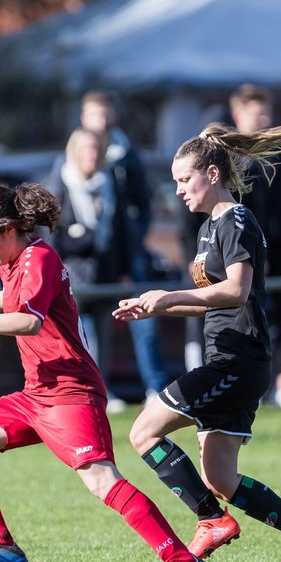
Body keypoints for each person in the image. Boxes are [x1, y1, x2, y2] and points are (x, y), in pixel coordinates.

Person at [0, 181, 212, 562]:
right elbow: (16, 298)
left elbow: (29, 320)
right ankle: (1, 546)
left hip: (70, 393)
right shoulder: (18, 261)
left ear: (7, 228)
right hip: (35, 395)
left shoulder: (38, 257)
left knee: (101, 481)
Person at [113, 123, 281, 562]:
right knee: (220, 477)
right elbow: (213, 301)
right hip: (229, 358)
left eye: (184, 179)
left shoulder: (236, 221)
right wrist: (155, 307)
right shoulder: (208, 228)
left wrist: (168, 295)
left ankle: (210, 519)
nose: (178, 190)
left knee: (144, 431)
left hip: (237, 361)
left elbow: (236, 291)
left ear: (212, 173)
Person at [76, 91, 169, 404]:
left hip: (126, 255)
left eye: (104, 115)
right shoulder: (73, 160)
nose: (100, 122)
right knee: (92, 328)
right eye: (94, 115)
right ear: (83, 118)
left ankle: (155, 388)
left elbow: (142, 204)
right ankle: (99, 390)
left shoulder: (125, 155)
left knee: (143, 318)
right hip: (89, 263)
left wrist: (134, 237)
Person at [227, 84, 281, 409]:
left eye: (266, 111)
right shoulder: (231, 156)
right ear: (238, 115)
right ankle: (252, 383)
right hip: (246, 249)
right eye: (255, 112)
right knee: (248, 313)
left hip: (280, 245)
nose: (263, 117)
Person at [46, 128, 129, 403]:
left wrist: (123, 270)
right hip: (73, 277)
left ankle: (102, 390)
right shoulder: (61, 183)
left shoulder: (109, 183)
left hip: (104, 274)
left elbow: (120, 231)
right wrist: (83, 236)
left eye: (95, 148)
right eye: (85, 148)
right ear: (74, 151)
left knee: (105, 337)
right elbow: (54, 236)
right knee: (79, 336)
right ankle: (80, 392)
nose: (91, 154)